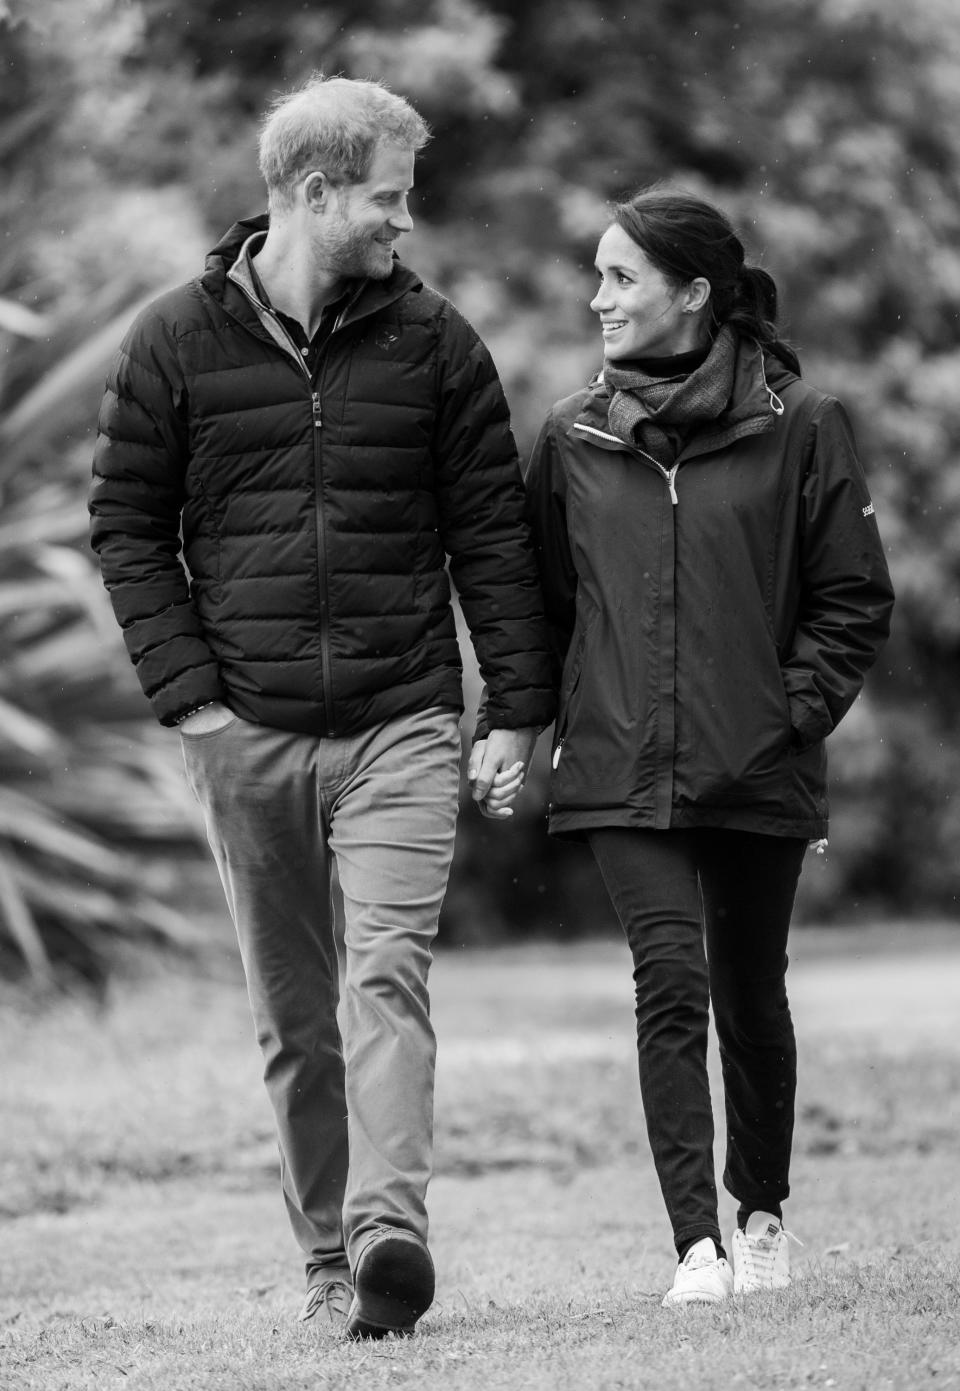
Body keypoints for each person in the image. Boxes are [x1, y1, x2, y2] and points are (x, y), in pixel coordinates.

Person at [89, 74, 555, 1340]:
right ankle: (326, 1259)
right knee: (296, 1018)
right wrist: (193, 704)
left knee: (386, 976)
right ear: (313, 193)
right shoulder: (173, 342)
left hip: (402, 718)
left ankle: (388, 1229)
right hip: (247, 730)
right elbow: (127, 529)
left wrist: (515, 706)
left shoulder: (437, 344)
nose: (406, 224)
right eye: (389, 200)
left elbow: (493, 538)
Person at [508, 187, 895, 1305]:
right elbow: (541, 606)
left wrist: (788, 715)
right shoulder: (573, 436)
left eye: (622, 277)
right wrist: (526, 724)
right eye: (598, 275)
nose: (599, 298)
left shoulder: (803, 423)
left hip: (755, 763)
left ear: (694, 293)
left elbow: (853, 599)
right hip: (621, 767)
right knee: (667, 982)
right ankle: (696, 1246)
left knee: (749, 993)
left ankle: (761, 1212)